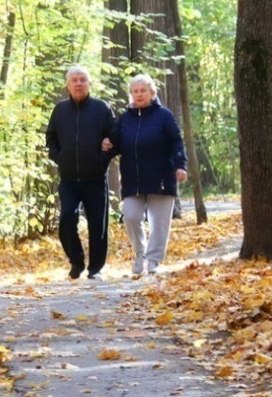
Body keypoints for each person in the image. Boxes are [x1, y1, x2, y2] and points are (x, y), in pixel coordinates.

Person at [104, 73, 187, 276]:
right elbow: (116, 145)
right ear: (131, 94)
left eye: (143, 91)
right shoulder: (124, 119)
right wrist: (107, 146)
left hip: (161, 178)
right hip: (133, 179)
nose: (139, 95)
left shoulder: (164, 116)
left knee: (159, 224)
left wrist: (180, 165)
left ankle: (153, 261)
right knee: (131, 216)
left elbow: (176, 141)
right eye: (135, 91)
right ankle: (140, 253)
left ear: (152, 93)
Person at [46, 65, 114, 280]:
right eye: (74, 80)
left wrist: (103, 157)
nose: (78, 83)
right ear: (68, 84)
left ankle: (95, 268)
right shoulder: (60, 110)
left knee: (98, 224)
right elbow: (51, 138)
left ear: (89, 84)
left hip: (95, 178)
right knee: (67, 218)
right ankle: (76, 261)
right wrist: (60, 157)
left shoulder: (102, 109)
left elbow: (114, 138)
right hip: (68, 179)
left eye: (82, 80)